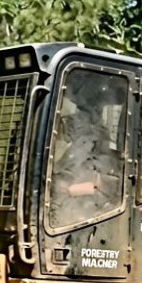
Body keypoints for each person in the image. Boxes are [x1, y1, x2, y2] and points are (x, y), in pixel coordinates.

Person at [50, 75, 123, 227]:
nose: (66, 124)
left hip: (87, 220)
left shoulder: (104, 158)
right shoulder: (76, 149)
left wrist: (69, 189)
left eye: (75, 120)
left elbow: (102, 186)